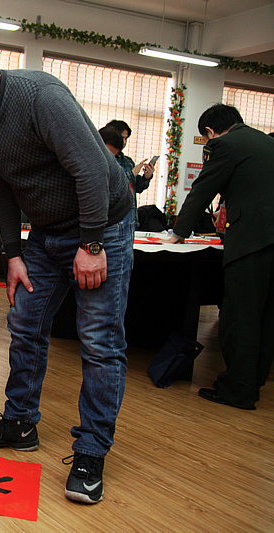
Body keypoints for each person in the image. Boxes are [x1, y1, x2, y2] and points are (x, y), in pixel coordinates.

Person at [0, 38, 133, 503]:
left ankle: (91, 451)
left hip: (101, 227)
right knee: (26, 322)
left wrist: (92, 243)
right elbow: (2, 190)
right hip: (45, 234)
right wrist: (13, 253)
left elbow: (93, 170)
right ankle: (20, 423)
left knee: (98, 340)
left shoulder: (41, 97)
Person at [168, 104, 274, 410]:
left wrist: (179, 232)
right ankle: (252, 383)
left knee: (240, 317)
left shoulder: (223, 145)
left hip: (251, 241)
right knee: (267, 318)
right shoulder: (266, 142)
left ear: (211, 132)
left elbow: (203, 190)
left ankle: (237, 391)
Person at [103, 120, 155, 227]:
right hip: (112, 220)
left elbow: (137, 188)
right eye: (122, 138)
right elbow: (112, 185)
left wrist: (146, 177)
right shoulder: (104, 159)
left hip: (130, 218)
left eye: (126, 138)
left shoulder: (128, 161)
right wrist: (132, 173)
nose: (124, 142)